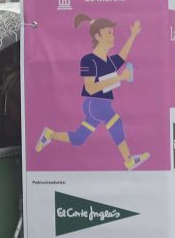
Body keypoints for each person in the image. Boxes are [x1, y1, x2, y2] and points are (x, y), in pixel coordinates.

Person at [34, 13, 149, 170]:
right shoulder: (88, 60)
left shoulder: (108, 61)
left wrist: (133, 35)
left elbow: (122, 56)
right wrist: (120, 77)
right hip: (94, 104)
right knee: (116, 123)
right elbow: (90, 88)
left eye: (112, 32)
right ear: (98, 36)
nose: (113, 36)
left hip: (101, 104)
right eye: (109, 32)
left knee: (78, 138)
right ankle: (128, 160)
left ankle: (49, 134)